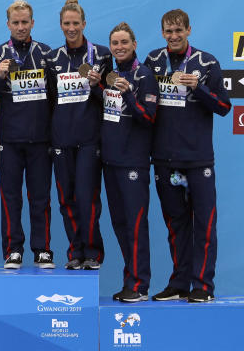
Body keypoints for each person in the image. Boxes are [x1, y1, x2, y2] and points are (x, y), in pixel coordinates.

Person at [144, 9, 231, 303]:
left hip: (198, 159)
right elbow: (145, 103)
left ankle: (203, 286)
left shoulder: (207, 62)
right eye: (168, 31)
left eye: (179, 30)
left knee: (204, 225)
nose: (174, 36)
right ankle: (180, 282)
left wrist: (200, 88)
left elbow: (223, 106)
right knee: (175, 226)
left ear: (189, 30)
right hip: (165, 158)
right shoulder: (154, 61)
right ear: (162, 33)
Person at [0, 0, 56, 270]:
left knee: (40, 196)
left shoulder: (47, 54)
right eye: (16, 22)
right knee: (10, 196)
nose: (21, 27)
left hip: (41, 140)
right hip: (9, 141)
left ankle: (43, 249)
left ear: (32, 23)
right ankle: (13, 249)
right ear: (8, 24)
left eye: (25, 22)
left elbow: (56, 98)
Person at [49, 0, 111, 270]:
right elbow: (50, 99)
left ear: (84, 24)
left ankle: (93, 252)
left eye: (76, 23)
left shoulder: (102, 55)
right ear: (61, 26)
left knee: (88, 198)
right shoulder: (53, 58)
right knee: (67, 199)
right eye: (66, 23)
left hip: (90, 140)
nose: (71, 28)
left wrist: (97, 87)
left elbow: (112, 98)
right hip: (62, 139)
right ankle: (75, 251)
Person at [101, 22, 157, 302]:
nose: (119, 47)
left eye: (124, 42)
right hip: (110, 162)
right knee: (120, 225)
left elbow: (148, 118)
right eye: (115, 43)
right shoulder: (111, 75)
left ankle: (140, 285)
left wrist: (128, 94)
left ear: (134, 44)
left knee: (136, 225)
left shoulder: (144, 74)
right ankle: (130, 281)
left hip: (134, 163)